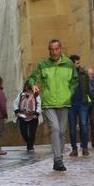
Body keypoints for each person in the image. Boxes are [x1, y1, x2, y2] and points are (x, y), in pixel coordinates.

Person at [26, 39, 77, 172]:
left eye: (56, 49)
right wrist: (34, 85)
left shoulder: (69, 64)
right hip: (49, 102)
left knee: (61, 131)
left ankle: (59, 158)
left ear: (61, 49)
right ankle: (58, 159)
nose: (54, 52)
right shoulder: (43, 64)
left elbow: (75, 80)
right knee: (54, 128)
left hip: (64, 102)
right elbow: (32, 78)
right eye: (51, 49)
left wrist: (69, 93)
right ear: (49, 50)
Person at [68, 55, 92, 156]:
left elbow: (89, 87)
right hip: (70, 104)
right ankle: (74, 148)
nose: (79, 64)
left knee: (83, 125)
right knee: (72, 127)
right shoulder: (67, 74)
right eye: (77, 63)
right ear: (72, 63)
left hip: (82, 103)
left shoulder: (83, 73)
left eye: (79, 63)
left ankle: (85, 147)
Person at [14, 83, 41, 152]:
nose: (27, 90)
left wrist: (36, 114)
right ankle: (29, 142)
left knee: (32, 132)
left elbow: (39, 105)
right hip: (22, 116)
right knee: (23, 132)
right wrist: (17, 111)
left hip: (33, 116)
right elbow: (15, 103)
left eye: (29, 89)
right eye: (26, 89)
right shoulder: (21, 95)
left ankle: (30, 146)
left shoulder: (36, 95)